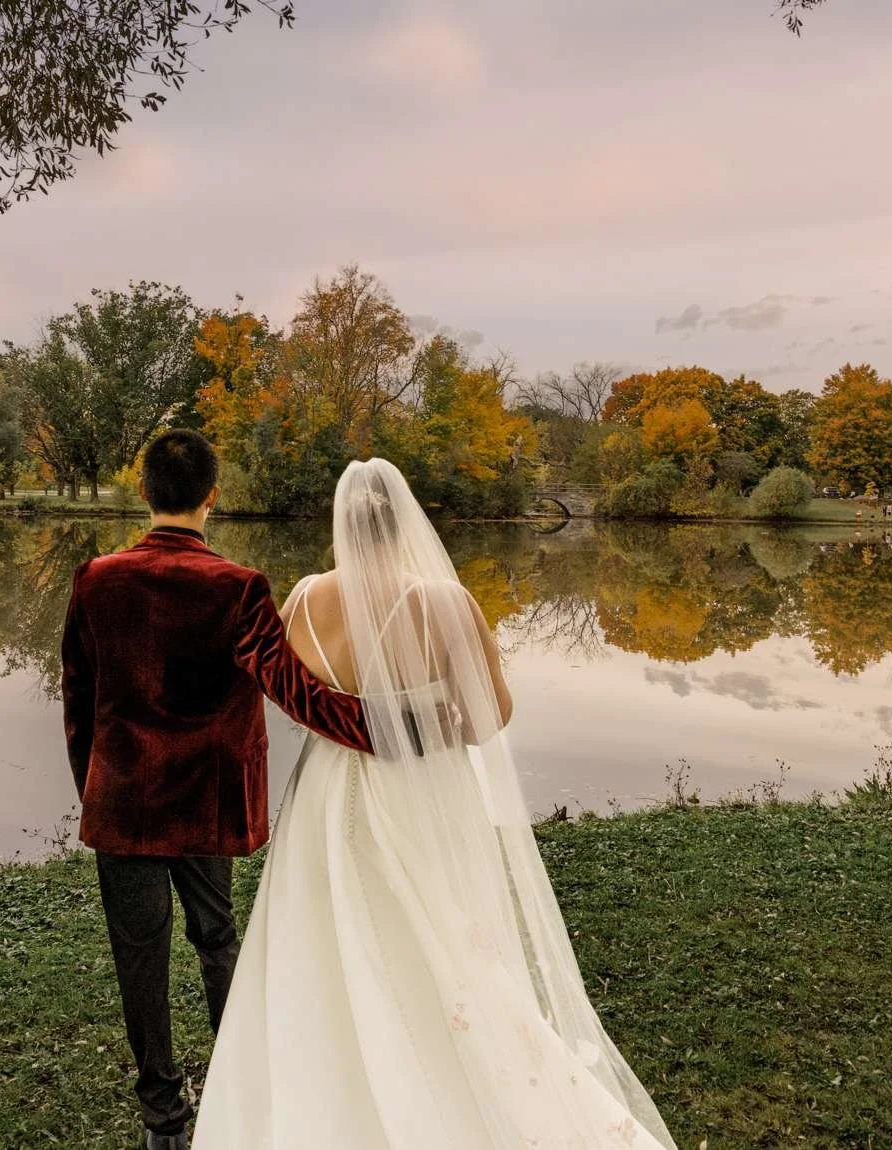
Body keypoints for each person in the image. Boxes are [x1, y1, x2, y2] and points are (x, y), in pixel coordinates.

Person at [195, 458, 676, 1149]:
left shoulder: (300, 600)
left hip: (326, 797)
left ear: (343, 527)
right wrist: (434, 714)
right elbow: (490, 719)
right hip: (414, 793)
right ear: (408, 520)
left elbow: (299, 708)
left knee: (325, 942)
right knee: (434, 937)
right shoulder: (445, 605)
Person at [60, 429, 374, 1150]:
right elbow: (296, 693)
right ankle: (240, 1087)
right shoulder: (238, 588)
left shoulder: (95, 579)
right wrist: (388, 728)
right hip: (209, 801)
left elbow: (77, 700)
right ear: (212, 496)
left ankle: (162, 1120)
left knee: (138, 958)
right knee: (218, 939)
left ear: (143, 491)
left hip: (125, 803)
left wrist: (96, 789)